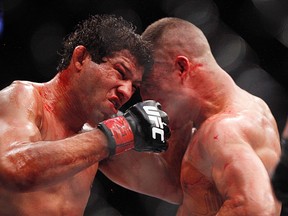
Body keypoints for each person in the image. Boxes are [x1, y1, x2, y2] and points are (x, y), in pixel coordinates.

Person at [99, 17, 282, 215]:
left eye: (150, 86)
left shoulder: (222, 131)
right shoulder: (250, 107)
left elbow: (256, 206)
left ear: (181, 68)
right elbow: (175, 183)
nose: (147, 101)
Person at [0, 14, 171, 216]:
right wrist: (117, 133)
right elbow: (12, 167)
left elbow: (172, 187)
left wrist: (183, 119)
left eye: (134, 86)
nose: (126, 91)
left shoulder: (95, 137)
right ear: (81, 58)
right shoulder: (22, 97)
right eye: (120, 72)